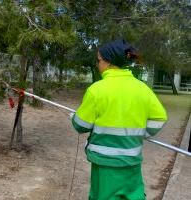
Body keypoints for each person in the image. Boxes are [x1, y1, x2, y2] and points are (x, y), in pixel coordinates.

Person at [70, 39, 167, 200]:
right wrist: (141, 135)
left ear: (108, 62)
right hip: (132, 163)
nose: (97, 64)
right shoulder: (142, 88)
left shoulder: (97, 90)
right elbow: (159, 118)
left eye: (98, 60)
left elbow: (80, 125)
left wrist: (75, 117)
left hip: (105, 165)